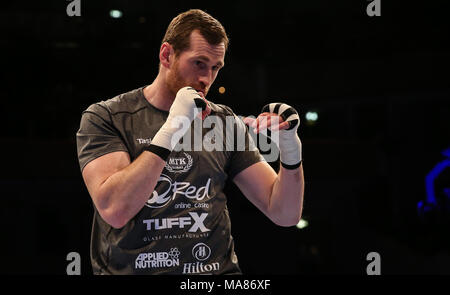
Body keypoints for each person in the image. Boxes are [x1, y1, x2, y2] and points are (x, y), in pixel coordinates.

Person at [76, 9, 304, 275]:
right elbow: (115, 210)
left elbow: (284, 214)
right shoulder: (107, 117)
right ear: (166, 55)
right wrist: (173, 127)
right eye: (199, 63)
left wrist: (290, 151)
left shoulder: (222, 121)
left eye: (215, 67)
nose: (206, 78)